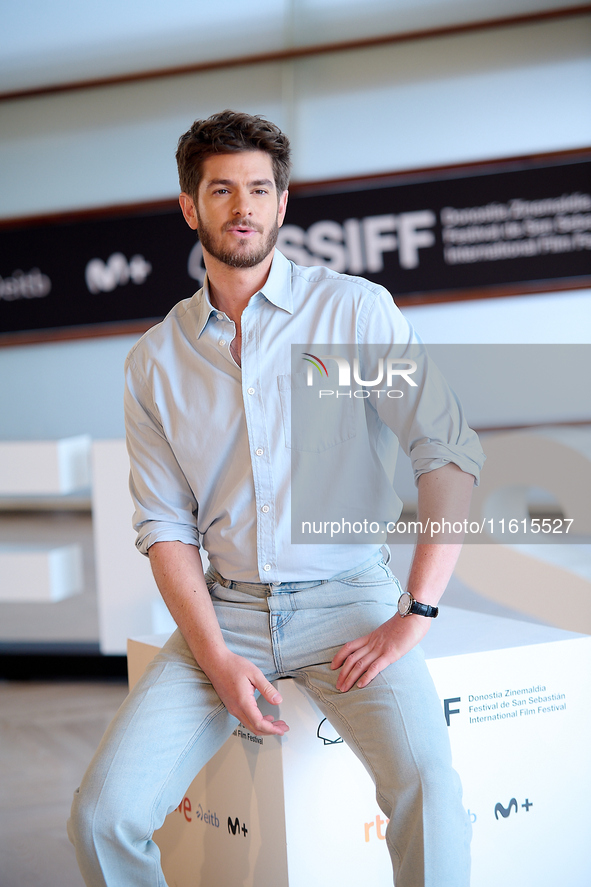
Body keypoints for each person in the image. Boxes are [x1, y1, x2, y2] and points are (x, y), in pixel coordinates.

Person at [68, 109, 484, 887]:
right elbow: (163, 524)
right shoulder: (154, 362)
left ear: (282, 203)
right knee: (100, 816)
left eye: (259, 188)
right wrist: (217, 657)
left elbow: (447, 452)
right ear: (190, 208)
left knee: (428, 786)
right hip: (223, 613)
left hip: (348, 600)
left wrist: (414, 610)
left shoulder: (353, 312)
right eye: (221, 190)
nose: (243, 207)